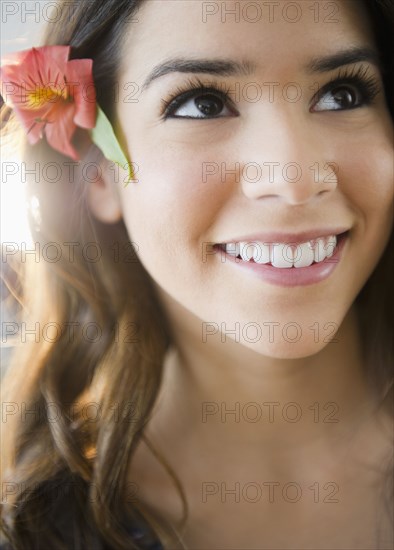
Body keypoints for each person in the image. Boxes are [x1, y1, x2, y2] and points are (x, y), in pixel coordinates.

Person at [0, 0, 393, 548]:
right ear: (97, 174)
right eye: (202, 104)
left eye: (341, 94)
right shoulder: (35, 531)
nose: (293, 179)